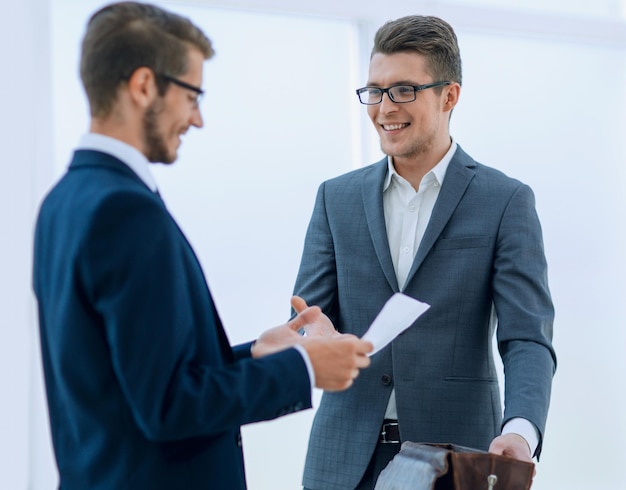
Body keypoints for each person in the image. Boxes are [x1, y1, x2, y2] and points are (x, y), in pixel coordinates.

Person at [32, 2, 373, 489]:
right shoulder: (126, 212)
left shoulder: (63, 202)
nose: (197, 120)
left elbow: (131, 379)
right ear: (145, 85)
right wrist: (303, 366)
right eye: (192, 95)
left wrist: (256, 353)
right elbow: (168, 406)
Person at [294, 15, 557, 490]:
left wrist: (520, 431)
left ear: (449, 95)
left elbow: (527, 337)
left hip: (456, 461)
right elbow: (308, 317)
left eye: (403, 90)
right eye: (374, 90)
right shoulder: (336, 198)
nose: (383, 107)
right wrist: (312, 339)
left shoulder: (505, 200)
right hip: (341, 462)